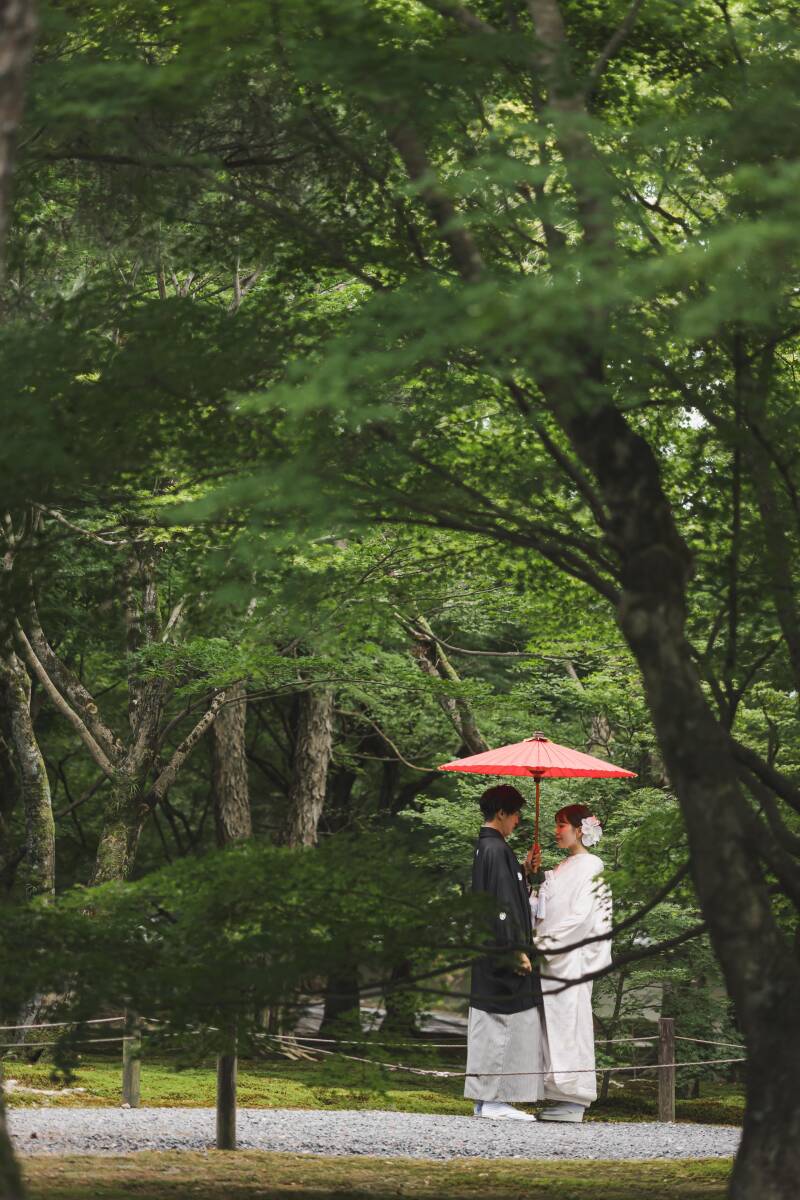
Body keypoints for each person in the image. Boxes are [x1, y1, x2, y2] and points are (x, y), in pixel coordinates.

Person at [465, 784, 544, 1121]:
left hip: (489, 949)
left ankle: (486, 1099)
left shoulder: (491, 848)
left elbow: (507, 894)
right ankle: (495, 1099)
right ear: (501, 813)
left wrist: (525, 871)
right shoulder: (496, 850)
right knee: (503, 1021)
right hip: (502, 950)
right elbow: (502, 905)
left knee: (492, 1020)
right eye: (515, 814)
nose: (518, 820)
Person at [532, 802, 612, 1123]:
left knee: (570, 1023)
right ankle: (555, 1094)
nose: (556, 831)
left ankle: (574, 1097)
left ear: (580, 829)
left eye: (561, 825)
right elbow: (543, 900)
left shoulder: (593, 866)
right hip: (553, 958)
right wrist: (533, 873)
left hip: (571, 957)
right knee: (551, 1025)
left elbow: (582, 916)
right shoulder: (564, 866)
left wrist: (544, 942)